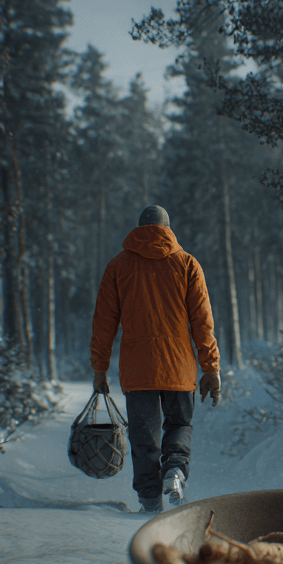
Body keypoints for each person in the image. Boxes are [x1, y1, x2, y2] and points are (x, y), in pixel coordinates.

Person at [89, 205, 221, 514]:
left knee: (144, 438)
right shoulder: (188, 264)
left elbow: (103, 324)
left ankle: (150, 504)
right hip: (179, 368)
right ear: (168, 229)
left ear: (139, 229)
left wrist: (100, 368)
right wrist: (210, 368)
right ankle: (175, 468)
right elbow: (203, 321)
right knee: (179, 424)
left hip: (139, 370)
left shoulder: (117, 267)